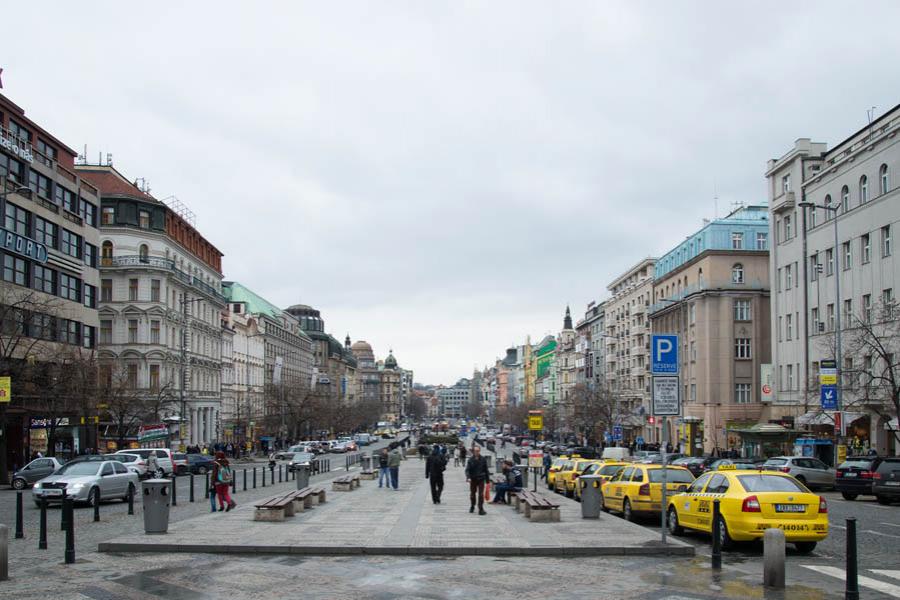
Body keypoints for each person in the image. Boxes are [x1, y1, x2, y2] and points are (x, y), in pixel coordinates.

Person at [465, 445, 490, 515]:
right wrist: (468, 477)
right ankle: (472, 506)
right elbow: (467, 470)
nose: (476, 452)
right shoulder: (470, 460)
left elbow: (486, 470)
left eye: (478, 451)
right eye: (475, 451)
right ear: (473, 451)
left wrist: (488, 481)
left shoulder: (483, 459)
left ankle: (480, 508)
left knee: (481, 494)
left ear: (479, 451)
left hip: (481, 479)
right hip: (473, 479)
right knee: (473, 494)